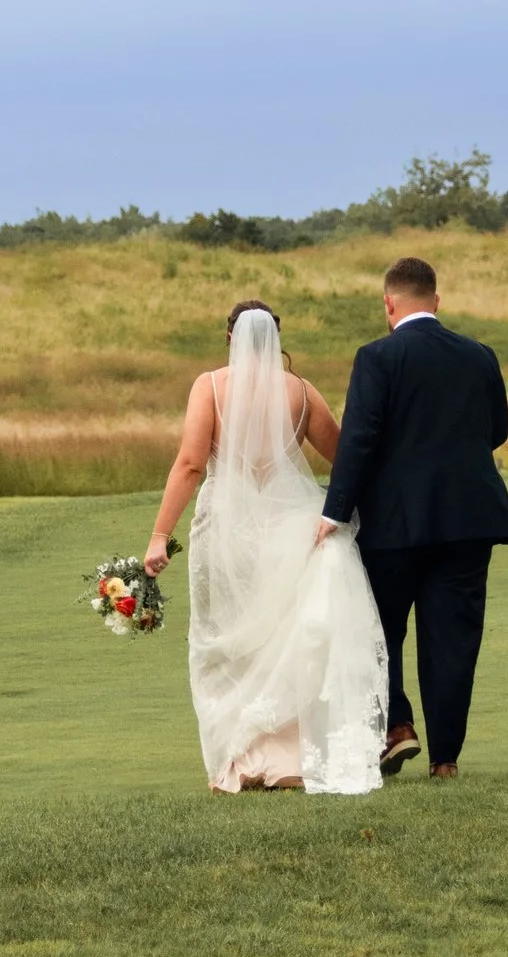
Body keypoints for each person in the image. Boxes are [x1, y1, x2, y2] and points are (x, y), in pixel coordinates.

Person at [144, 299, 389, 794]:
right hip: (288, 527)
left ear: (231, 337)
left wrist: (158, 537)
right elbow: (345, 459)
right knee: (281, 639)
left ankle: (241, 761)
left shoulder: (210, 386)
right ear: (277, 338)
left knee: (231, 642)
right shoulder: (300, 391)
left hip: (226, 533)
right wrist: (337, 513)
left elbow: (191, 463)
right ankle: (288, 761)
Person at [317, 255, 508, 780]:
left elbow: (358, 441)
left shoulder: (377, 358)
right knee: (453, 638)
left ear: (388, 304)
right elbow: (496, 430)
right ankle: (445, 758)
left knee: (378, 631)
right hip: (469, 520)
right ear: (437, 299)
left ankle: (398, 725)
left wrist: (334, 513)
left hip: (393, 524)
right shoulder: (481, 356)